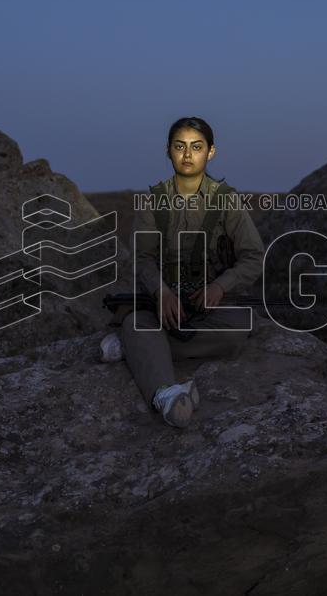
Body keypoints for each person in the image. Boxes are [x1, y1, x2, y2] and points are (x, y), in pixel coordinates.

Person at [119, 116, 265, 428]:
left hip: (209, 304)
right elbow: (142, 259)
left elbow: (254, 257)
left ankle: (139, 349)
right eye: (179, 146)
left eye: (196, 147)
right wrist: (161, 292)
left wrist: (221, 287)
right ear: (168, 151)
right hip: (163, 305)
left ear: (210, 152)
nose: (187, 155)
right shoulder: (151, 203)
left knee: (240, 330)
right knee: (137, 321)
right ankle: (167, 395)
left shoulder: (227, 201)